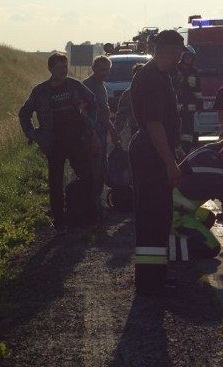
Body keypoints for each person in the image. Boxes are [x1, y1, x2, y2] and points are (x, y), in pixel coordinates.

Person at [128, 29, 185, 296]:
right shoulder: (152, 79)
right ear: (168, 50)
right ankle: (150, 283)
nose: (180, 57)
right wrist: (170, 162)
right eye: (178, 52)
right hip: (151, 156)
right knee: (152, 218)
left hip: (154, 154)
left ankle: (155, 278)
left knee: (159, 218)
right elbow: (154, 124)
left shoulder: (159, 75)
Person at [18, 52, 100, 233]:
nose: (63, 71)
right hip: (54, 143)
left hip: (77, 140)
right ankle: (60, 221)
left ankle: (92, 217)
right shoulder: (40, 91)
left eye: (65, 67)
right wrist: (32, 134)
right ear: (50, 69)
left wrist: (90, 124)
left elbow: (92, 101)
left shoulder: (74, 86)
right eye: (59, 68)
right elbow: (24, 113)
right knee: (56, 183)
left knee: (88, 177)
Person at [83, 55, 118, 220]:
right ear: (93, 69)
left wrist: (112, 128)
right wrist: (93, 135)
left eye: (107, 70)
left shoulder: (102, 87)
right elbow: (82, 114)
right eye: (101, 69)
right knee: (93, 168)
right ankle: (90, 206)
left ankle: (96, 203)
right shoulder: (86, 86)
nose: (104, 73)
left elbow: (104, 111)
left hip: (102, 132)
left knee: (102, 167)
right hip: (91, 134)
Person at [173, 45, 202, 156]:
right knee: (175, 131)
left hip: (189, 110)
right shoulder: (174, 70)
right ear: (182, 57)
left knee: (188, 134)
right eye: (187, 57)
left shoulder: (194, 72)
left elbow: (198, 90)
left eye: (191, 57)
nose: (188, 59)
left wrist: (200, 104)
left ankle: (186, 152)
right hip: (175, 108)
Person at [113, 62, 145, 142]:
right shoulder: (128, 94)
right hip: (136, 129)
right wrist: (115, 133)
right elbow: (121, 115)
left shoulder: (155, 91)